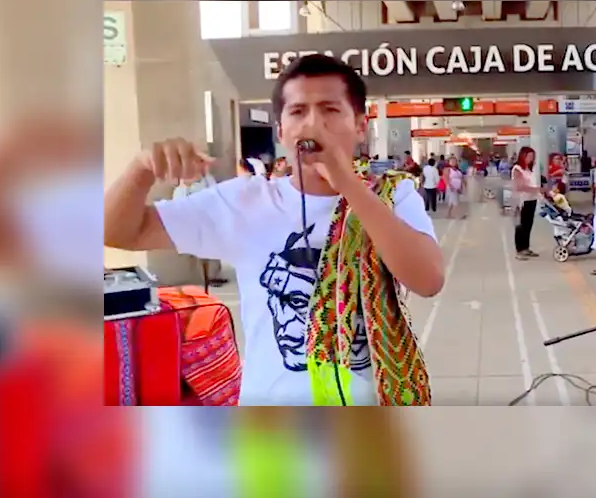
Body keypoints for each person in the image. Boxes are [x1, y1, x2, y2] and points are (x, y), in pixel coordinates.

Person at [103, 53, 444, 406]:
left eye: (330, 110)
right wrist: (142, 169)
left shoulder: (393, 195)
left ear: (360, 125)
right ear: (281, 131)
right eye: (298, 112)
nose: (313, 124)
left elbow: (428, 279)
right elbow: (119, 231)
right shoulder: (246, 200)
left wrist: (345, 181)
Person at [511, 147, 541, 260]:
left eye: (532, 157)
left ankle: (526, 247)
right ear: (522, 156)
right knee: (521, 226)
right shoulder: (517, 169)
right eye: (529, 156)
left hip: (531, 200)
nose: (531, 159)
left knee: (528, 225)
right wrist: (537, 189)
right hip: (521, 201)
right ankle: (519, 250)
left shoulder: (529, 169)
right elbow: (519, 186)